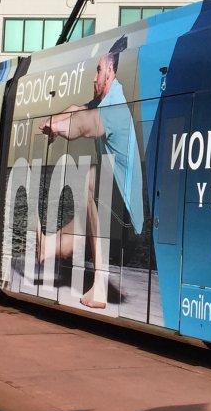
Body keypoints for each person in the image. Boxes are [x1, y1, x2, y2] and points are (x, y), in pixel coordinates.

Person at [40, 36, 145, 309]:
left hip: (125, 214)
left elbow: (84, 127)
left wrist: (59, 129)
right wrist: (51, 121)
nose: (93, 77)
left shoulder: (115, 106)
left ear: (109, 72)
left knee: (91, 178)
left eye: (98, 71)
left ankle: (100, 282)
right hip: (112, 200)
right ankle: (50, 246)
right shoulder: (105, 99)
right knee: (89, 203)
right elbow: (78, 110)